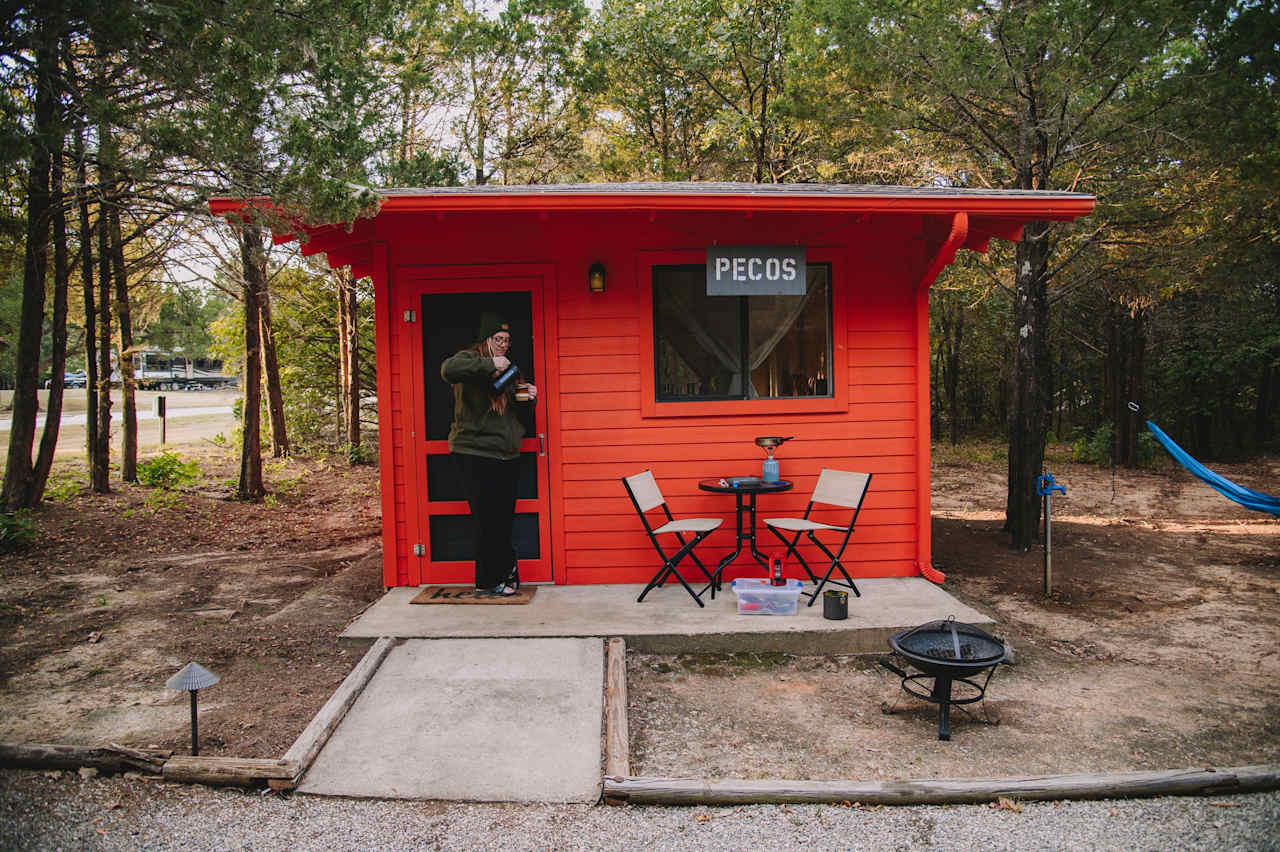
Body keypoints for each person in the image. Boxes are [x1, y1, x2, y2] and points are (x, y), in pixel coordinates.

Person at [440, 313, 538, 597]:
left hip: (507, 455)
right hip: (474, 453)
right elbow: (448, 369)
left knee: (503, 518)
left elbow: (519, 416)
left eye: (507, 340)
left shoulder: (511, 371)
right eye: (498, 339)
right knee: (487, 519)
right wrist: (489, 364)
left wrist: (529, 397)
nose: (504, 345)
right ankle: (488, 579)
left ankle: (506, 575)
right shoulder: (469, 360)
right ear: (486, 339)